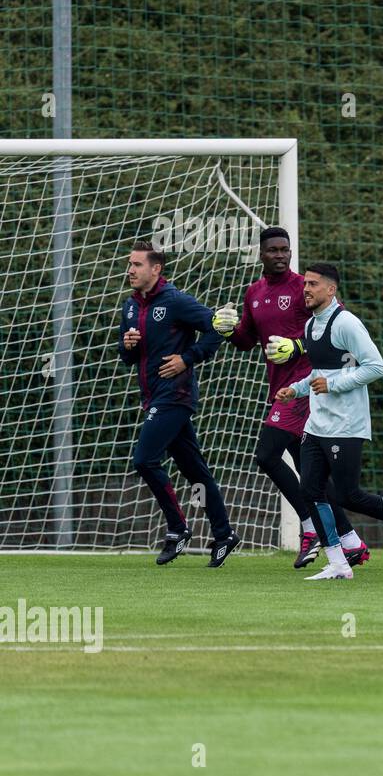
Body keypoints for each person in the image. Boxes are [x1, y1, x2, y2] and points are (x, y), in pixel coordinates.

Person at [212, 226, 365, 570]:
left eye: (285, 249)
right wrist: (225, 331)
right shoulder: (254, 292)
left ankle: (310, 526)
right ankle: (352, 542)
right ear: (261, 254)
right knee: (311, 476)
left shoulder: (304, 288)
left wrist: (297, 346)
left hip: (306, 387)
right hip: (281, 388)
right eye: (274, 250)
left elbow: (330, 329)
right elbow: (246, 340)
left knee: (266, 455)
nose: (281, 255)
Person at [274, 263, 383, 580]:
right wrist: (296, 389)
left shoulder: (346, 323)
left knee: (349, 495)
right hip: (315, 425)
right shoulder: (310, 327)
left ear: (331, 290)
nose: (306, 289)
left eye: (313, 284)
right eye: (305, 284)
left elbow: (376, 367)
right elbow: (319, 374)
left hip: (346, 425)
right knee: (310, 491)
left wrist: (334, 385)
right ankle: (338, 563)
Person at [118, 241, 238, 567]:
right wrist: (128, 345)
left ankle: (177, 528)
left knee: (145, 460)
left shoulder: (175, 301)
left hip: (175, 395)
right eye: (130, 264)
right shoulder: (130, 306)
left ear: (156, 269)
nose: (130, 270)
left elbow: (219, 327)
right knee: (194, 471)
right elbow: (128, 357)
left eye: (137, 265)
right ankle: (224, 533)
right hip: (154, 396)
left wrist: (188, 358)